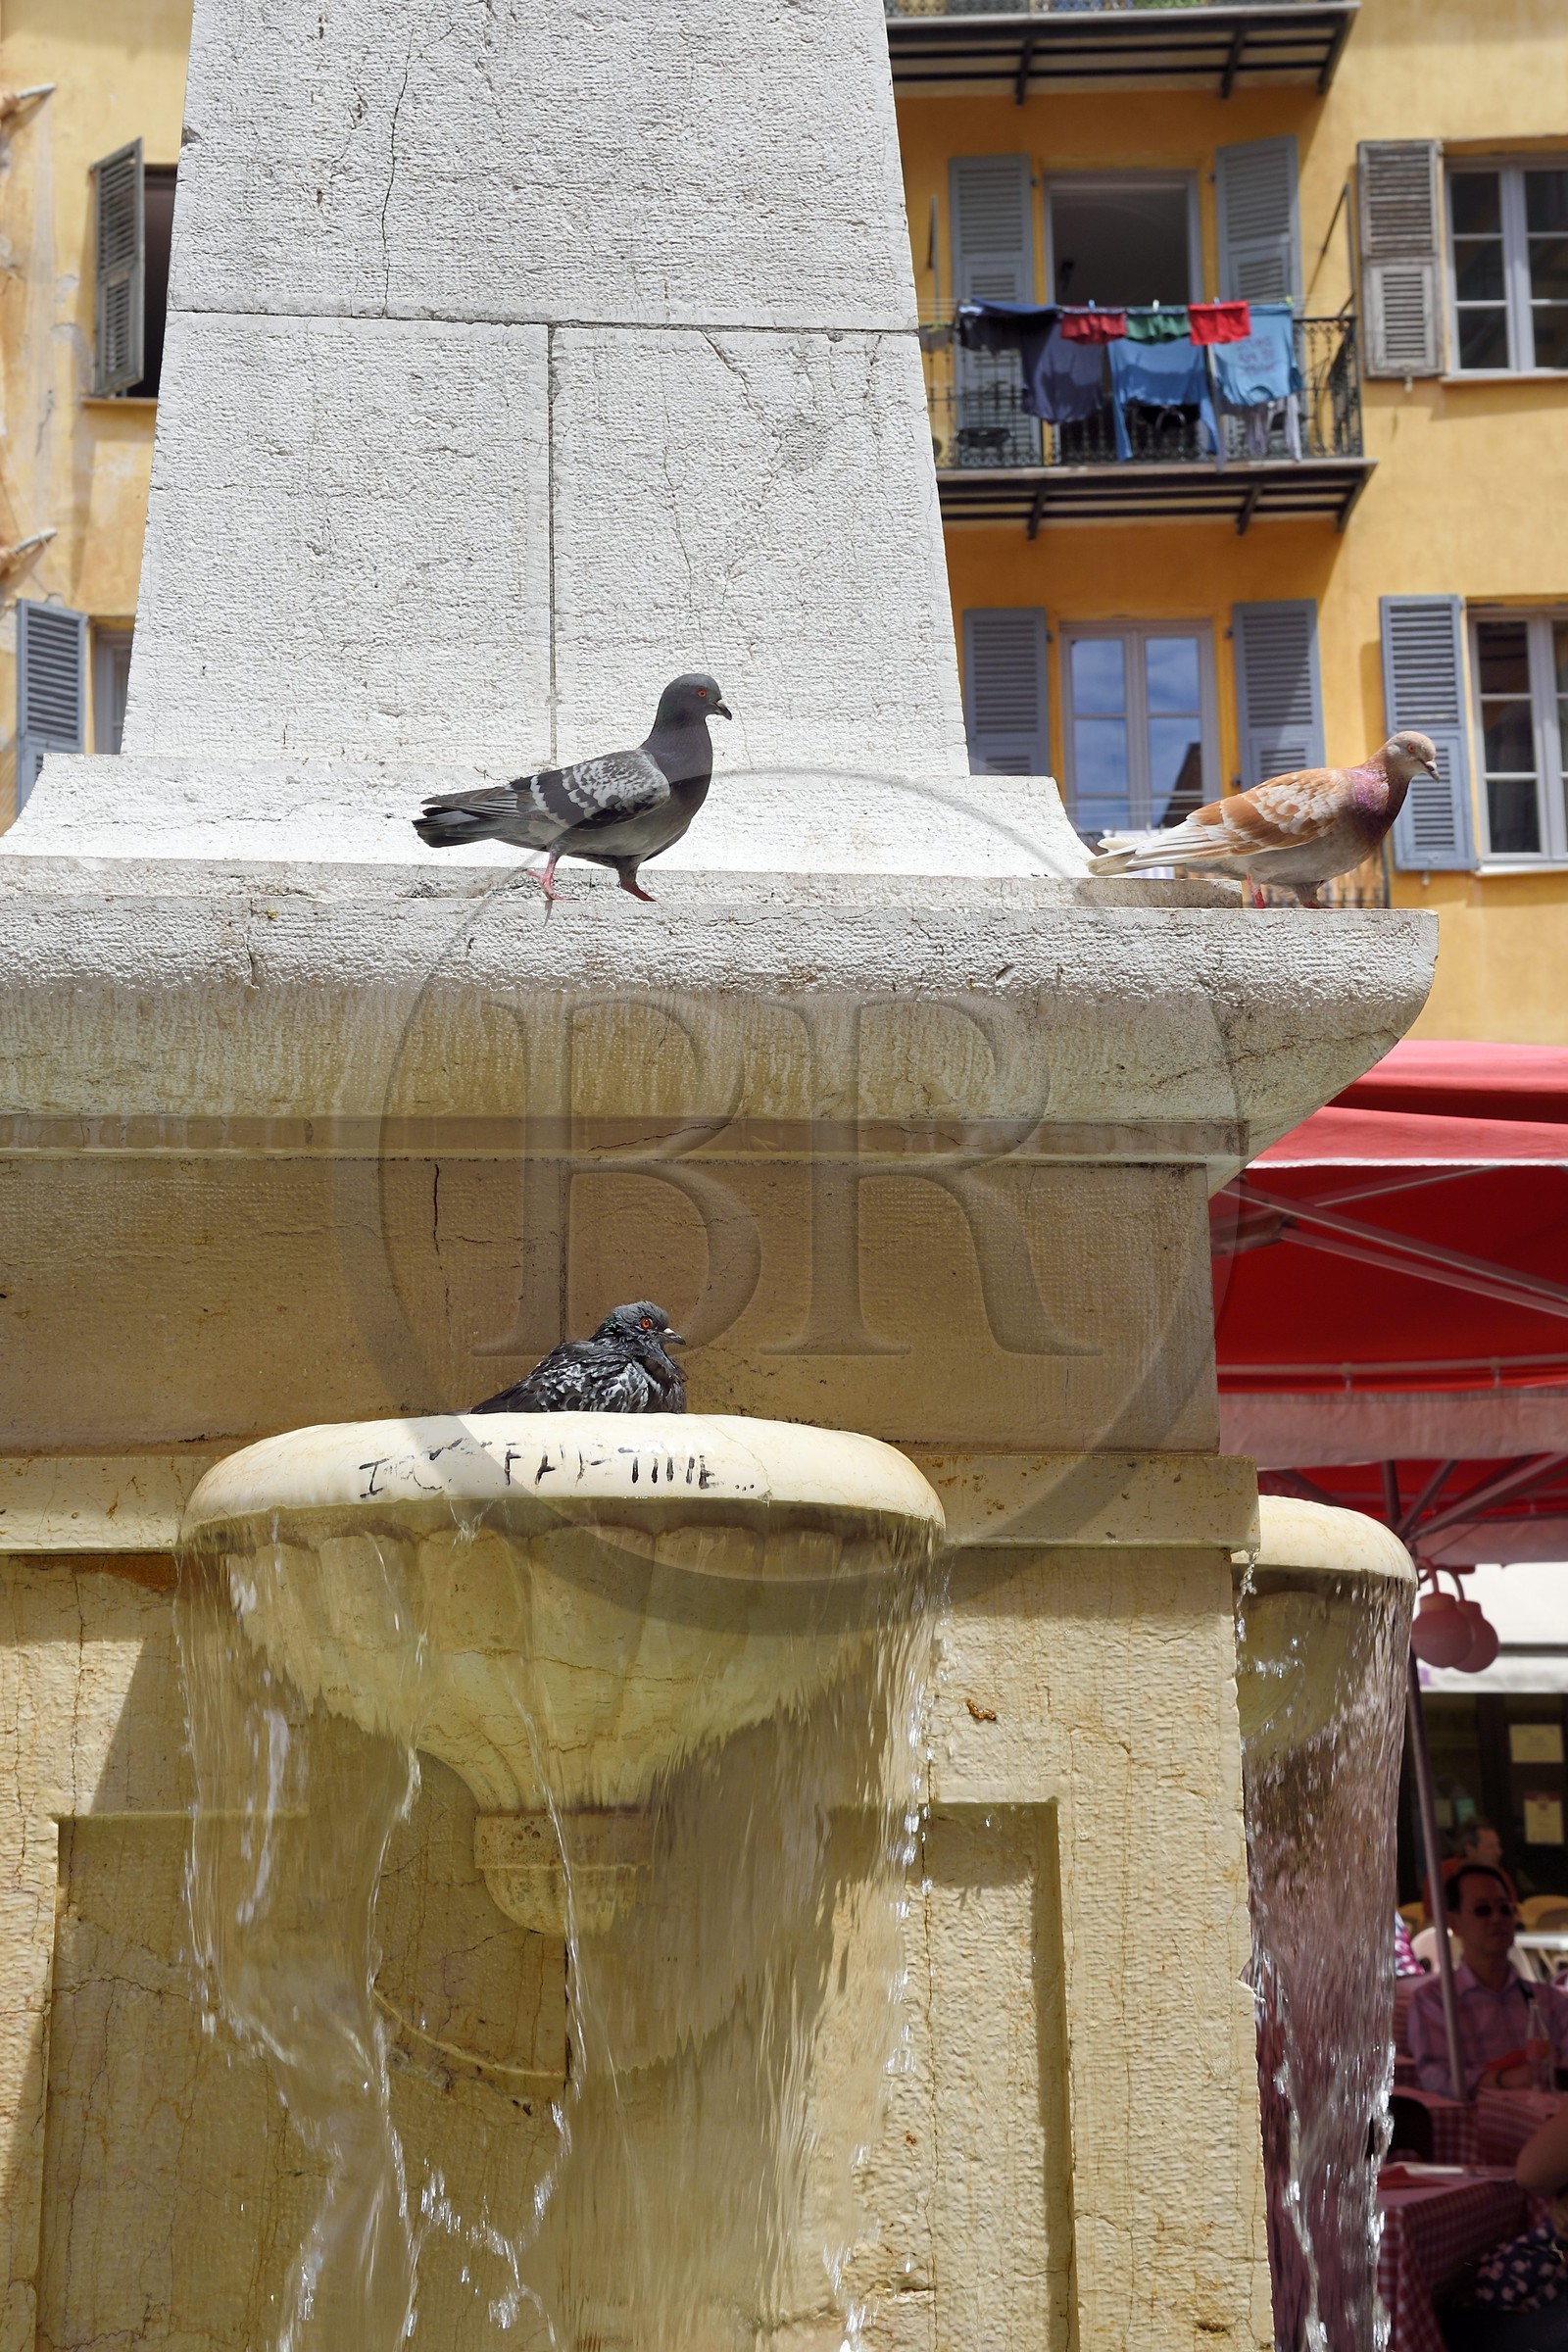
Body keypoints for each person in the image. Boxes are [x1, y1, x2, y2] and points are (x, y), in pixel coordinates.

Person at [1408, 1864, 1568, 2097]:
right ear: (1455, 1923)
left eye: (1505, 1909)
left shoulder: (1548, 2000)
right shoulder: (1434, 2001)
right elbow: (1437, 2075)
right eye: (1482, 1910)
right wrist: (1504, 2080)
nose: (1497, 1918)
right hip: (1478, 2126)